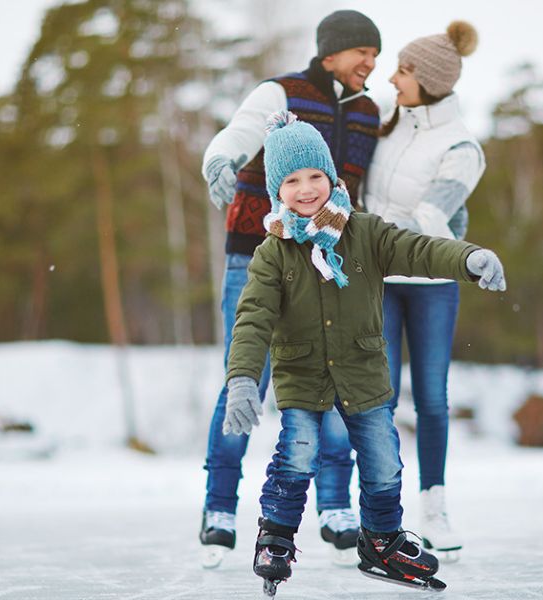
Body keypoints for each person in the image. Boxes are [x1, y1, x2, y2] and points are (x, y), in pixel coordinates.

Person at [223, 110, 505, 593]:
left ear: (332, 178)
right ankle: (275, 536)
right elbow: (253, 318)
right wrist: (243, 378)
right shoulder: (273, 252)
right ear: (277, 191)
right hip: (303, 377)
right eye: (292, 180)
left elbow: (419, 250)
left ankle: (380, 541)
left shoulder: (365, 232)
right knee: (299, 453)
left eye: (315, 175)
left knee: (384, 460)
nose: (306, 188)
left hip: (363, 374)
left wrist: (468, 257)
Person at [198, 10, 383, 567]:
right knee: (244, 373)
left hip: (328, 260)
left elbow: (399, 166)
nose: (371, 63)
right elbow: (239, 133)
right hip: (255, 254)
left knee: (334, 374)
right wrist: (219, 161)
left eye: (376, 55)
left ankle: (334, 506)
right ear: (331, 54)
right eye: (362, 54)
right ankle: (219, 506)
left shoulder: (373, 110)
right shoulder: (282, 92)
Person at [361, 21, 484, 560]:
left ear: (429, 79)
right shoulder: (387, 128)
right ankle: (377, 514)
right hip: (379, 282)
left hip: (432, 283)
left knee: (431, 398)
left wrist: (373, 225)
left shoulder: (461, 147)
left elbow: (433, 218)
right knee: (378, 397)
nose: (392, 78)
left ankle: (433, 505)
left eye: (404, 71)